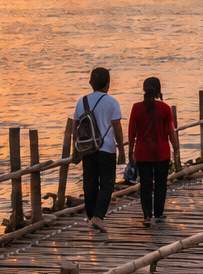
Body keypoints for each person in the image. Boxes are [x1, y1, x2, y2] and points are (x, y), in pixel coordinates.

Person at [72, 67, 124, 232]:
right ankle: (98, 216)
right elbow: (117, 127)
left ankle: (91, 215)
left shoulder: (82, 101)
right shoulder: (112, 102)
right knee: (107, 184)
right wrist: (121, 148)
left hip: (88, 148)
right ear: (108, 84)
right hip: (107, 149)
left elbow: (76, 127)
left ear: (90, 83)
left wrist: (76, 148)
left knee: (90, 183)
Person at [127, 76, 181, 226]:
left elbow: (132, 132)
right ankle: (158, 214)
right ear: (158, 91)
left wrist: (130, 151)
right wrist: (176, 148)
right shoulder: (164, 108)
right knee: (160, 184)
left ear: (144, 90)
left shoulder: (136, 108)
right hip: (161, 153)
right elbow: (170, 131)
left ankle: (146, 216)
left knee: (145, 185)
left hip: (142, 152)